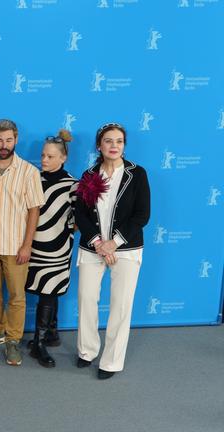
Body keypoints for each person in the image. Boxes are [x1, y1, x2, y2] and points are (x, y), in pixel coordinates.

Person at [74, 122, 150, 380]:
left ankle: (111, 361)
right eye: (108, 141)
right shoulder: (88, 175)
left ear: (124, 145)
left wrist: (113, 243)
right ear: (99, 145)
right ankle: (87, 351)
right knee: (86, 299)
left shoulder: (137, 174)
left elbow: (142, 215)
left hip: (126, 249)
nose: (114, 145)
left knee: (120, 306)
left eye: (119, 141)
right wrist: (98, 242)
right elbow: (80, 215)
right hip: (92, 247)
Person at [0, 119, 45, 367]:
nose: (4, 145)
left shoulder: (29, 172)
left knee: (16, 296)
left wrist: (27, 245)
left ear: (16, 140)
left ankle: (12, 339)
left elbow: (34, 211)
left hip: (16, 247)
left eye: (9, 140)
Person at [23, 130, 78, 368]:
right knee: (45, 291)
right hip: (33, 246)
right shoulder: (34, 179)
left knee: (50, 291)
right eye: (43, 155)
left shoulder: (73, 185)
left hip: (57, 249)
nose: (44, 160)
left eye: (50, 156)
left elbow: (79, 220)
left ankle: (40, 342)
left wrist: (62, 234)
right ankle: (50, 333)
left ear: (63, 157)